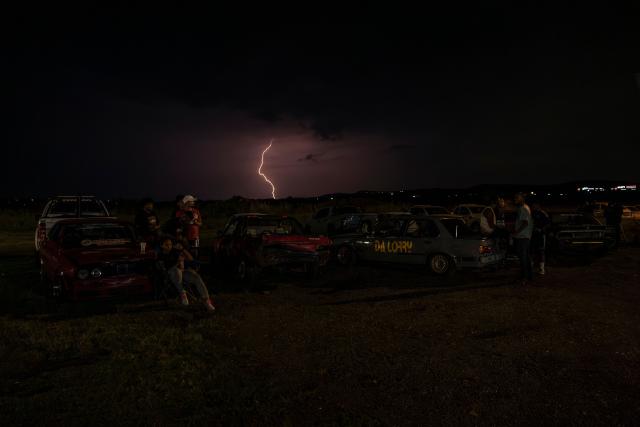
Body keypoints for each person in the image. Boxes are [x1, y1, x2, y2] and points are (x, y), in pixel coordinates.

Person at [156, 236, 215, 311]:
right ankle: (182, 293)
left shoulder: (175, 251)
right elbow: (164, 269)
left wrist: (183, 249)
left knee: (196, 276)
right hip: (171, 274)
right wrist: (178, 262)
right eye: (166, 245)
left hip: (182, 272)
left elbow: (191, 259)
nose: (169, 246)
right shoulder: (161, 255)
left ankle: (206, 300)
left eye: (170, 244)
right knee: (175, 271)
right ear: (162, 246)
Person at [512, 193, 533, 285]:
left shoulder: (523, 208)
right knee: (526, 257)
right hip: (524, 236)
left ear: (522, 199)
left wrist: (516, 232)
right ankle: (529, 276)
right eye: (515, 197)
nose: (515, 199)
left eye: (517, 197)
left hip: (522, 236)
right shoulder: (524, 207)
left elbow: (525, 222)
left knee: (523, 257)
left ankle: (524, 277)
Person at [531, 202, 550, 275]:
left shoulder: (543, 213)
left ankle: (542, 269)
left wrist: (541, 229)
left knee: (541, 251)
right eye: (532, 206)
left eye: (534, 206)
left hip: (540, 235)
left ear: (538, 206)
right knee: (532, 251)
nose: (533, 207)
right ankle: (531, 267)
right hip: (533, 235)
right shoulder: (531, 213)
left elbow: (548, 224)